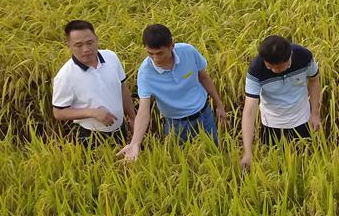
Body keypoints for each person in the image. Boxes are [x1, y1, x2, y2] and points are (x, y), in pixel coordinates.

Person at [117, 24, 227, 160]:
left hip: (204, 115)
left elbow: (204, 77)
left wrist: (219, 105)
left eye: (160, 53)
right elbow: (144, 109)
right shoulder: (146, 73)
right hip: (176, 125)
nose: (155, 59)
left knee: (214, 154)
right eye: (150, 53)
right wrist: (135, 144)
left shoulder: (188, 52)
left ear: (172, 46)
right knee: (181, 161)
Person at [239, 35, 321, 171]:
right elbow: (249, 110)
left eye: (280, 68)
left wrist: (315, 114)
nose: (275, 71)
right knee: (276, 167)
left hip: (302, 120)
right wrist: (247, 152)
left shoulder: (304, 56)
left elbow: (314, 80)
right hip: (272, 124)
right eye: (270, 67)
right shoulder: (256, 70)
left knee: (305, 164)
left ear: (290, 56)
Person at [52, 20, 136, 145]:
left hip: (120, 129)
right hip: (91, 136)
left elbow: (122, 88)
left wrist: (133, 118)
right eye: (78, 45)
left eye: (90, 42)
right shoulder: (65, 76)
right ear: (69, 45)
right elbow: (58, 112)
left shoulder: (111, 57)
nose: (86, 49)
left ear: (96, 39)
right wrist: (93, 112)